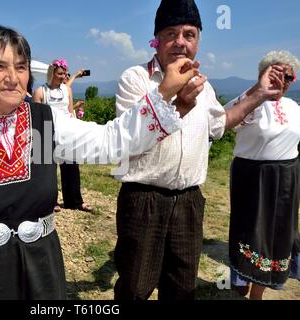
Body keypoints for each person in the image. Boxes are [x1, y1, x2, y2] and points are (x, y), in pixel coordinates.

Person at [0, 25, 200, 300]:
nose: (13, 77)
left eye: (21, 66)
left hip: (40, 270)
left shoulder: (41, 123)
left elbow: (112, 141)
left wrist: (163, 95)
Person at [113, 0, 284, 300]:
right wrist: (177, 105)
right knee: (134, 288)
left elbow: (220, 124)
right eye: (171, 33)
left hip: (190, 202)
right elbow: (129, 138)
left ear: (198, 41)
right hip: (143, 200)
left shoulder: (204, 87)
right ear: (157, 39)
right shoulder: (135, 79)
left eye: (189, 34)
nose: (180, 42)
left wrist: (259, 93)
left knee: (182, 288)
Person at [226, 51, 300, 300]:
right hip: (253, 178)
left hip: (287, 180)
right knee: (251, 234)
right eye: (279, 74)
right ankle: (241, 279)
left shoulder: (293, 106)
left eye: (290, 76)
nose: (285, 81)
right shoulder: (250, 103)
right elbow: (220, 120)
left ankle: (258, 292)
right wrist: (257, 90)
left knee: (277, 237)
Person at [32, 59, 92, 212]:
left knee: (71, 167)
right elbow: (35, 116)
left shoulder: (67, 90)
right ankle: (50, 201)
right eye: (60, 73)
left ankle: (75, 201)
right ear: (52, 73)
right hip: (47, 132)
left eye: (64, 73)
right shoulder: (40, 91)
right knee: (48, 170)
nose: (63, 76)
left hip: (66, 132)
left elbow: (70, 111)